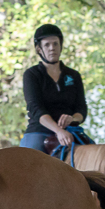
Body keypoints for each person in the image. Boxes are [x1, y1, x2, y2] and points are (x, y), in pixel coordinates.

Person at [20, 24, 89, 153]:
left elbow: (81, 108)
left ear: (61, 46)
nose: (52, 48)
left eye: (55, 44)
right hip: (40, 132)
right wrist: (58, 131)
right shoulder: (32, 75)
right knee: (27, 163)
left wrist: (73, 119)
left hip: (70, 131)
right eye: (47, 45)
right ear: (38, 49)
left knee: (99, 159)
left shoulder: (73, 75)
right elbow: (35, 108)